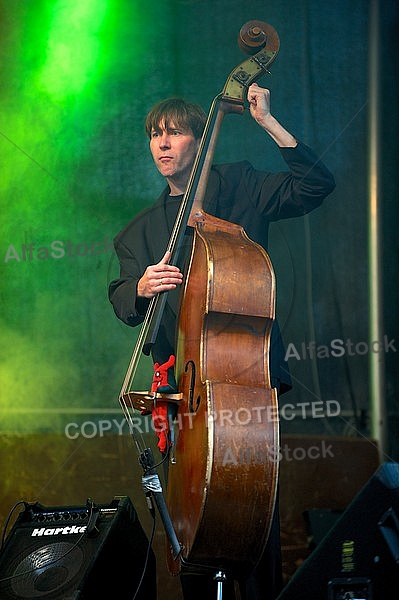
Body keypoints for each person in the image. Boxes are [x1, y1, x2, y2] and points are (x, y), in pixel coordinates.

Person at [108, 82, 335, 599]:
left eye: (175, 133)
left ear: (201, 137)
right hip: (183, 400)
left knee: (253, 531)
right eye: (154, 136)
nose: (162, 144)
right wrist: (139, 286)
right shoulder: (138, 234)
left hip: (246, 387)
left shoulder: (241, 187)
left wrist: (268, 122)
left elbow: (316, 185)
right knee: (189, 535)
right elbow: (122, 302)